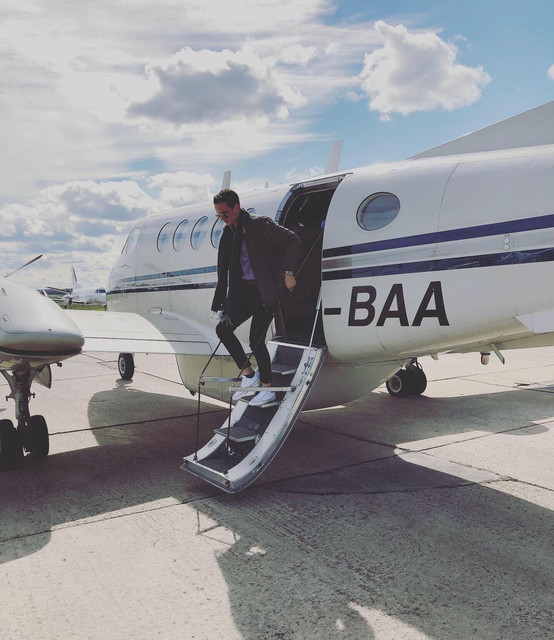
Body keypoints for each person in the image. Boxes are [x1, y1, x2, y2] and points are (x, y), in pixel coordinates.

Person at [211, 188, 301, 406]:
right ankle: (250, 376)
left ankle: (267, 389)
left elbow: (292, 240)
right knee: (223, 329)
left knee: (256, 339)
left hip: (265, 291)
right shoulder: (230, 233)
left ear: (236, 207)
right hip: (244, 293)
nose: (222, 218)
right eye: (218, 215)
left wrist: (289, 273)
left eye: (225, 213)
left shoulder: (259, 224)